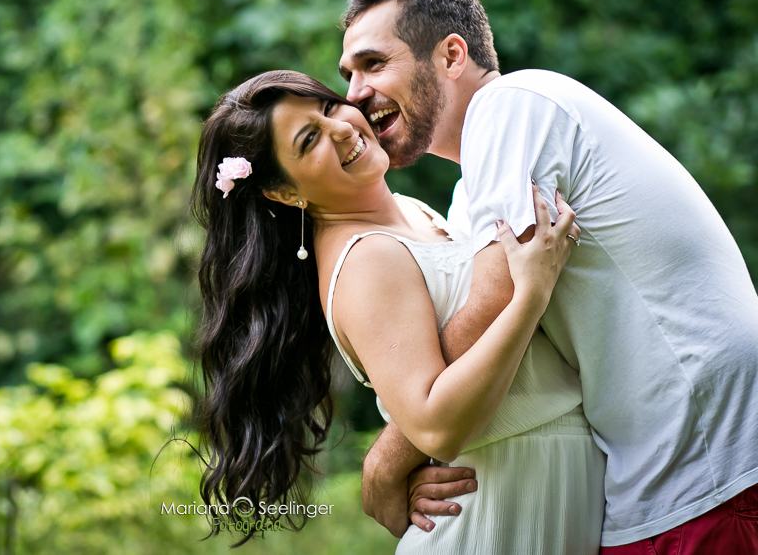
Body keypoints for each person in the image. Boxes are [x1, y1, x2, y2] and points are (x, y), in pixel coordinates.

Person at [339, 0, 758, 553]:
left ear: (453, 54)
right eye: (348, 75)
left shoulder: (514, 106)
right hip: (654, 472)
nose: (354, 93)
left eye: (374, 64)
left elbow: (496, 299)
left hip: (709, 458)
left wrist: (387, 461)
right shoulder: (469, 194)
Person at [191, 70, 604, 553]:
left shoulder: (410, 211)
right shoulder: (366, 258)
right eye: (309, 140)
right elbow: (434, 424)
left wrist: (385, 464)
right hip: (495, 507)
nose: (342, 129)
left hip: (544, 482)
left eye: (328, 109)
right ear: (284, 193)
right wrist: (531, 295)